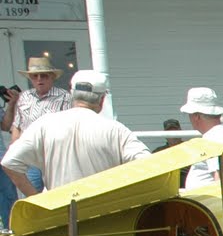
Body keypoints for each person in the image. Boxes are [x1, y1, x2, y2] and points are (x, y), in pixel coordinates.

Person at [2, 70, 150, 198]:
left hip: (60, 214)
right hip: (103, 216)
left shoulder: (45, 124)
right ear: (102, 99)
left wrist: (37, 200)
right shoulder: (116, 130)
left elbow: (9, 162)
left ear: (72, 94)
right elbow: (147, 165)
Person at [9, 55, 73, 202]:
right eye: (34, 76)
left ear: (52, 77)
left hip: (55, 156)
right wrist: (14, 150)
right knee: (34, 198)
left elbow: (69, 125)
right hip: (31, 157)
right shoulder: (24, 97)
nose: (39, 79)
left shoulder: (64, 97)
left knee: (60, 196)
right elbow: (17, 126)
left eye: (43, 75)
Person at [179, 86, 223, 188]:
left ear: (196, 116)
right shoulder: (222, 134)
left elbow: (220, 181)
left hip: (209, 203)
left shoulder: (214, 139)